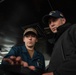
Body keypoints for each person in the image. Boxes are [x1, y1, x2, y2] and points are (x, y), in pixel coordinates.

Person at [42, 10, 76, 75]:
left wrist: (57, 73)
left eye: (54, 20)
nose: (51, 24)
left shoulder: (73, 29)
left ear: (63, 21)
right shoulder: (56, 42)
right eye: (49, 22)